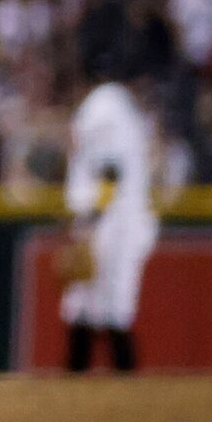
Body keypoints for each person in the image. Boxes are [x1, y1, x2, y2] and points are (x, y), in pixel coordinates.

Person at [60, 46, 160, 373]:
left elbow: (109, 171)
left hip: (113, 221)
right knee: (90, 305)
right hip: (118, 217)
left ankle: (113, 388)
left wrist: (90, 222)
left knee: (105, 305)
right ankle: (92, 387)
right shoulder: (124, 108)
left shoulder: (101, 106)